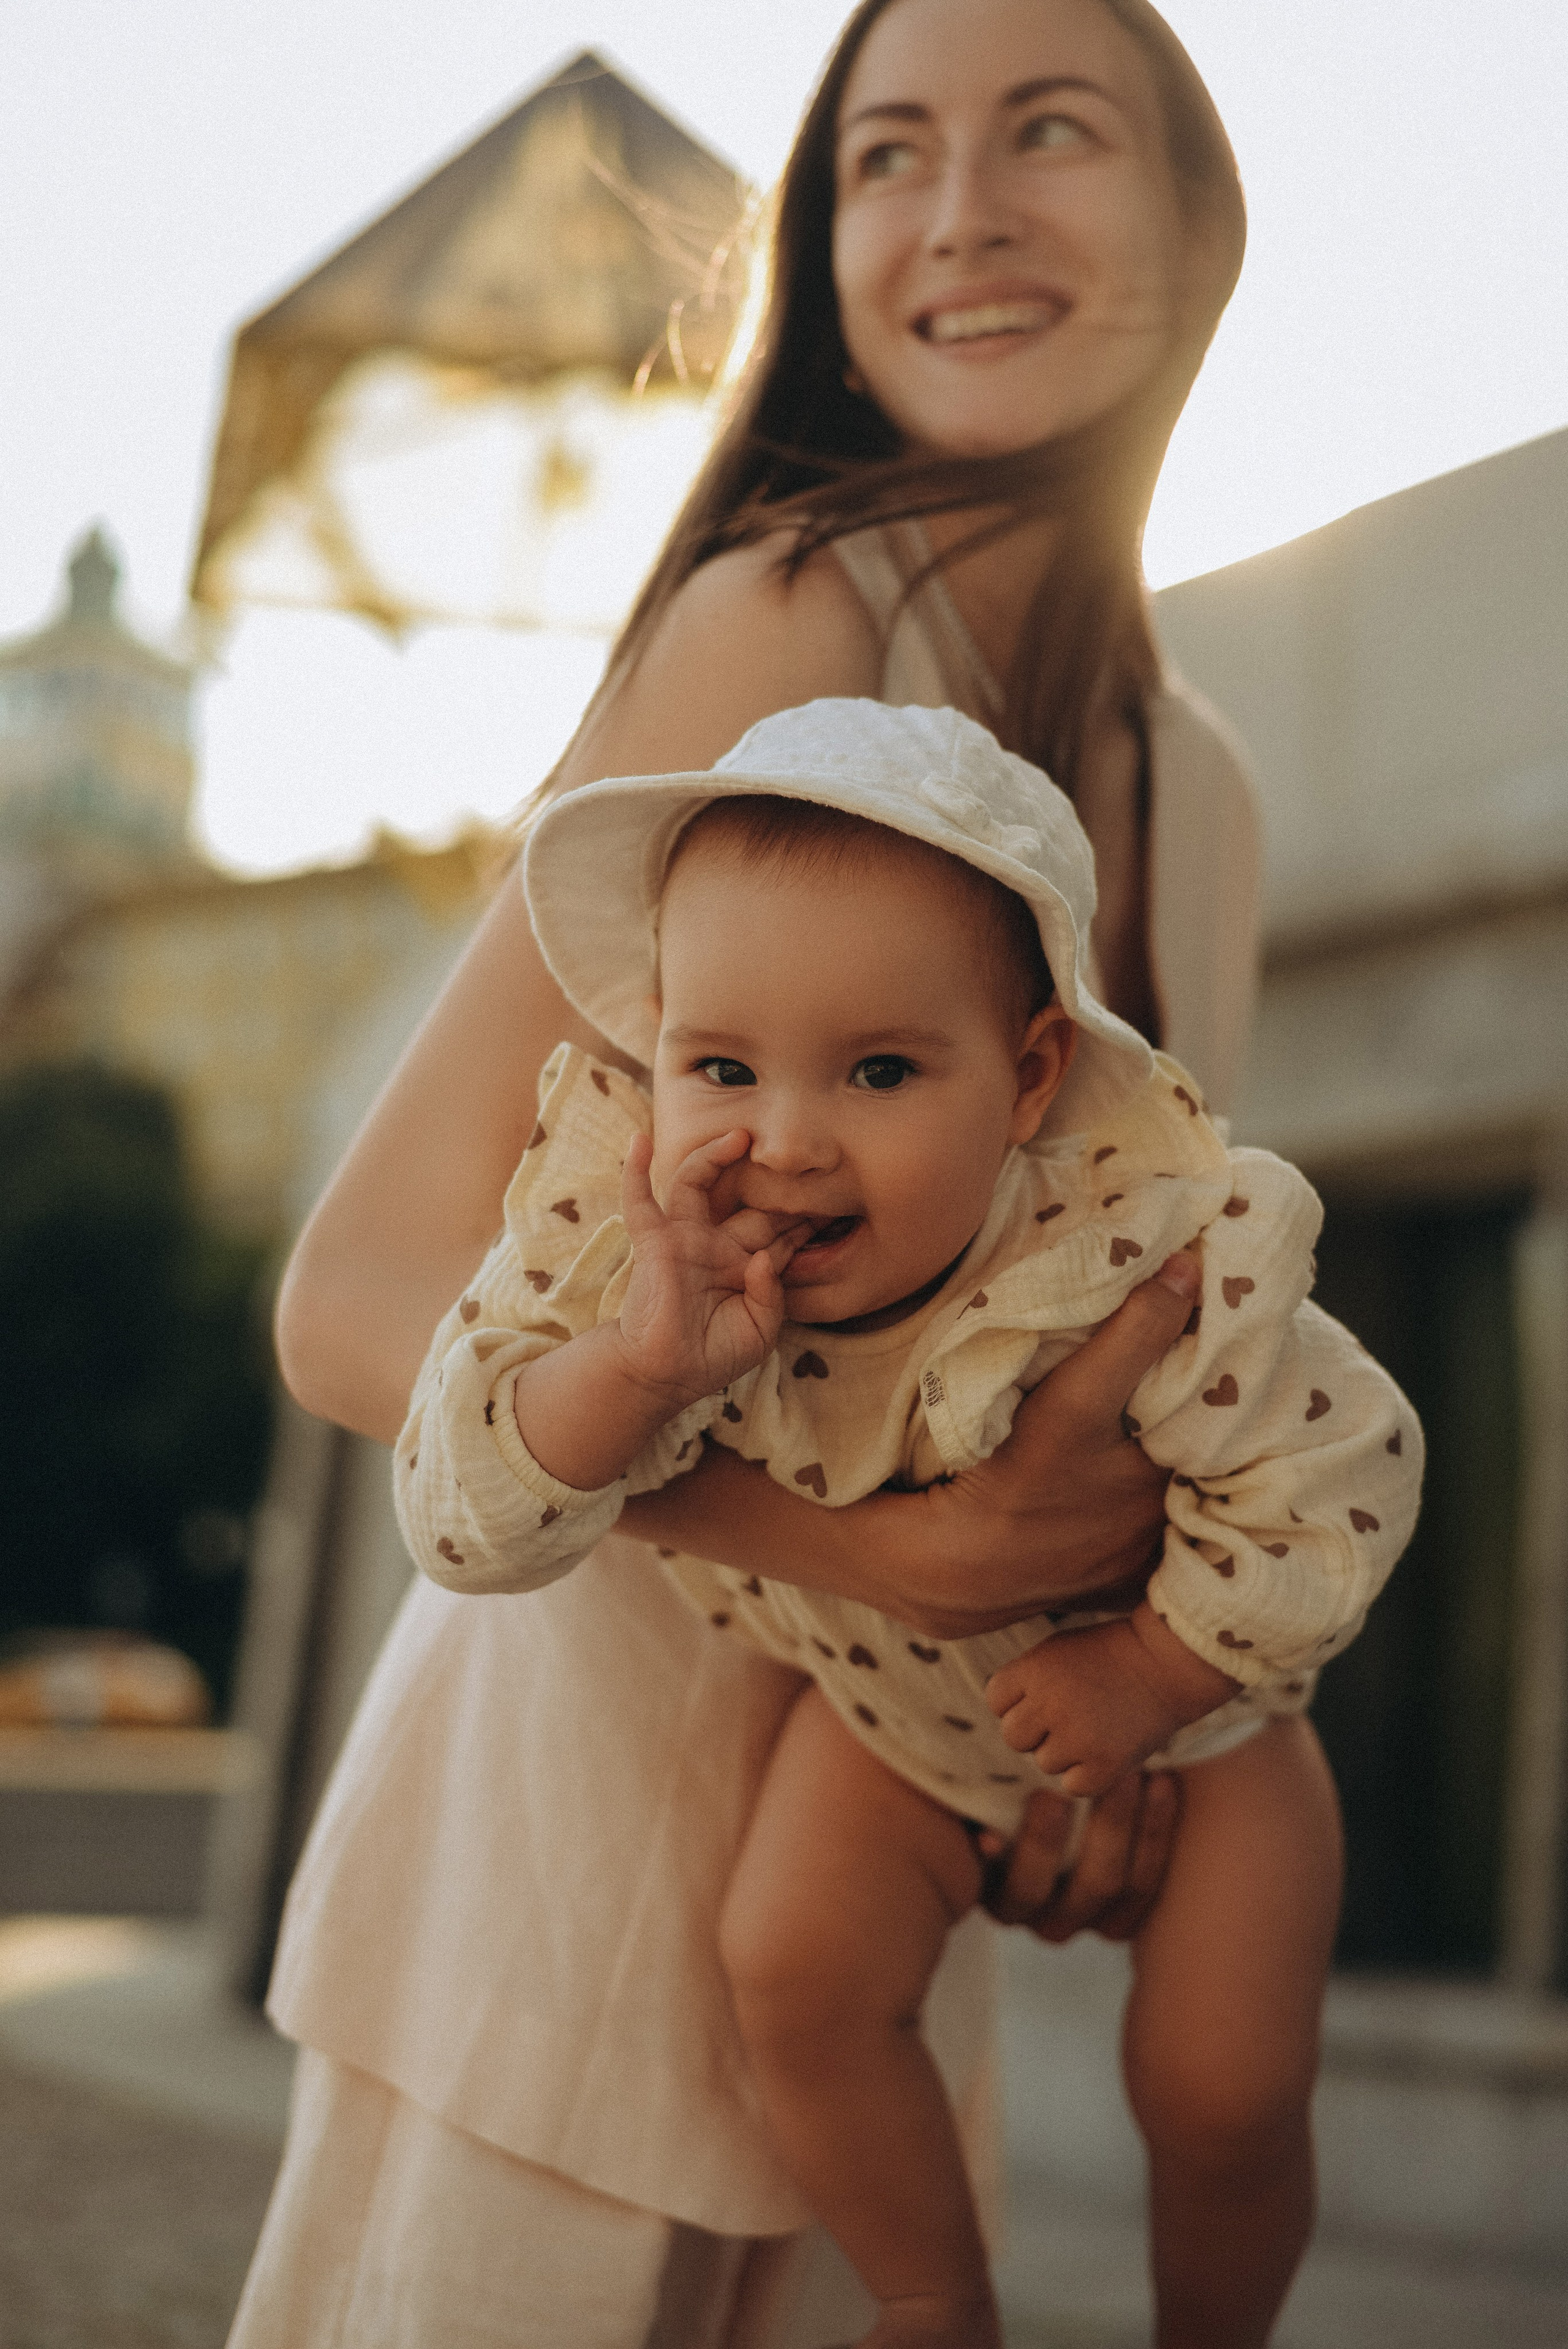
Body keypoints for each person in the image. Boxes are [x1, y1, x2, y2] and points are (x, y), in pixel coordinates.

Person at [232, 4, 1289, 2343]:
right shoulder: (792, 617)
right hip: (564, 1877)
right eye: (886, 154)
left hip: (877, 1937)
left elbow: (1166, 1361)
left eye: (1050, 133)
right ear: (827, 247)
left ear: (1205, 223)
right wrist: (868, 1547)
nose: (964, 210)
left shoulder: (1195, 784)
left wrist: (1137, 1704)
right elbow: (357, 1298)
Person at [397, 698, 1419, 2349]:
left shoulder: (1130, 1249)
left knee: (1222, 2080)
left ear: (1024, 1079)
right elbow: (463, 1512)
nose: (784, 1137)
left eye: (878, 1069)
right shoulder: (628, 1243)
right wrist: (629, 1375)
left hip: (1205, 1721)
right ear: (654, 1044)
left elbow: (1350, 1465)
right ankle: (933, 2294)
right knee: (791, 1961)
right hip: (887, 1717)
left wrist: (1155, 1670)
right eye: (720, 1065)